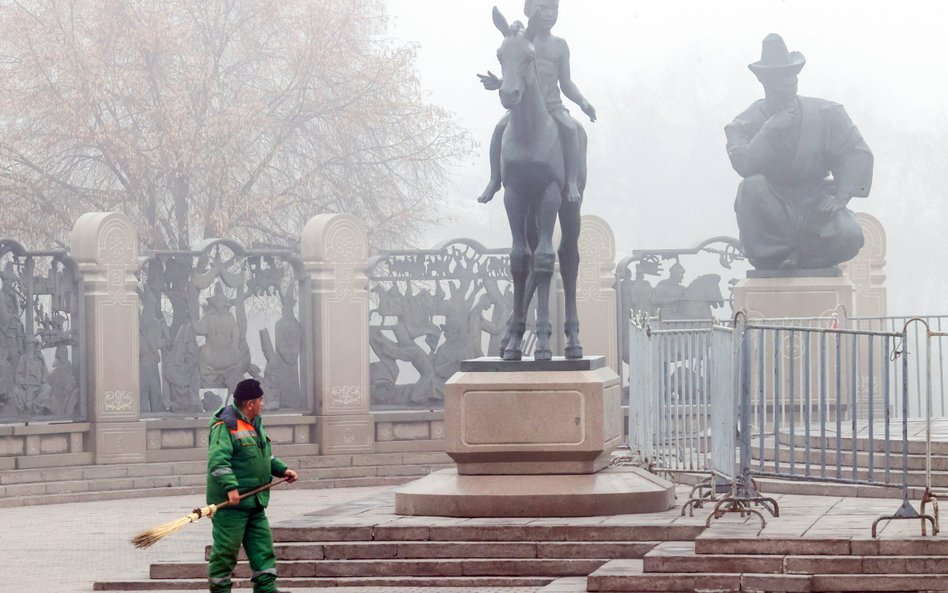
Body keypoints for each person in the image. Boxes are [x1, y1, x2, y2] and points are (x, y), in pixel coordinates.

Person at [725, 33, 873, 270]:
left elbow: (856, 152)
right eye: (782, 80)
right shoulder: (743, 124)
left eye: (793, 78)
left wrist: (840, 198)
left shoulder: (827, 112)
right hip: (771, 207)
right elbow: (742, 164)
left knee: (850, 237)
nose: (790, 84)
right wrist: (768, 131)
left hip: (815, 202)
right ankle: (782, 254)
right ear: (767, 83)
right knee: (750, 187)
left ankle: (805, 258)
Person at [477, 0, 596, 204]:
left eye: (553, 9)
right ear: (528, 11)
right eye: (542, 8)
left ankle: (570, 181)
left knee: (570, 129)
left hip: (552, 105)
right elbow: (514, 71)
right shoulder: (521, 41)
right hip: (525, 107)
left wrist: (582, 101)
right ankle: (495, 179)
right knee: (499, 129)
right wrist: (499, 83)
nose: (548, 14)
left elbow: (566, 82)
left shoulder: (560, 45)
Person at [206, 378, 298, 593]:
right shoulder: (225, 426)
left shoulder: (255, 423)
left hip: (255, 502)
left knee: (263, 549)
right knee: (225, 553)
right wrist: (231, 488)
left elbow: (264, 454)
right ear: (250, 404)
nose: (262, 404)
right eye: (260, 400)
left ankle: (266, 590)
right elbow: (218, 462)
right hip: (231, 506)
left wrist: (282, 470)